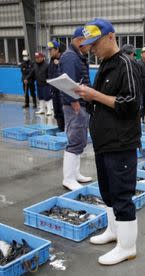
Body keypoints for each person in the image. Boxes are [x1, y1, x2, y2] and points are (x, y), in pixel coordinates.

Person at [74, 18, 142, 266]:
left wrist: (94, 95)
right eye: (89, 46)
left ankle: (127, 246)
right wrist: (84, 95)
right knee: (108, 192)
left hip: (120, 142)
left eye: (95, 44)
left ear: (111, 37)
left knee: (122, 195)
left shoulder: (127, 64)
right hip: (103, 141)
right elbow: (101, 102)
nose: (92, 50)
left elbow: (131, 104)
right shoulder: (104, 65)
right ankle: (114, 232)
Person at [59, 26, 93, 190]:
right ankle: (68, 178)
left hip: (80, 103)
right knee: (75, 140)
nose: (90, 47)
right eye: (89, 43)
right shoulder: (70, 57)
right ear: (80, 40)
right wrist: (74, 101)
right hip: (75, 105)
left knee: (80, 139)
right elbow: (66, 83)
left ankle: (75, 174)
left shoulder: (77, 56)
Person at [47, 40, 65, 131]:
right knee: (57, 113)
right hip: (54, 91)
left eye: (51, 50)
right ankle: (60, 130)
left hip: (62, 92)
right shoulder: (51, 61)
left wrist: (59, 65)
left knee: (64, 113)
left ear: (57, 49)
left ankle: (66, 132)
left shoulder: (64, 59)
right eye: (49, 50)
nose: (49, 52)